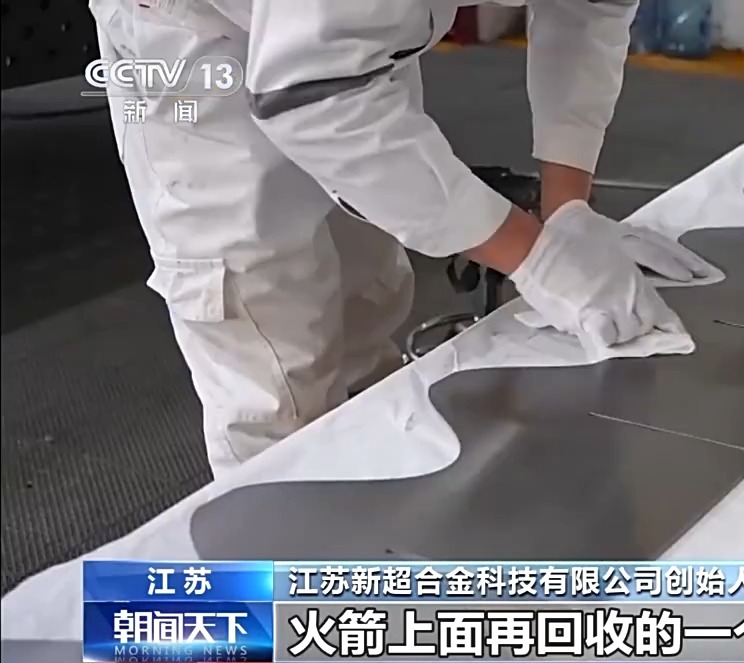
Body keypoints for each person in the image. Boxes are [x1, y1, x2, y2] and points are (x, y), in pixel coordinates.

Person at [89, 0, 707, 478]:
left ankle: (370, 542)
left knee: (367, 297)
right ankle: (275, 589)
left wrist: (567, 208)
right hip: (195, 40)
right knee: (274, 355)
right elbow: (314, 96)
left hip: (351, 43)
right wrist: (538, 257)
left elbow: (588, 11)